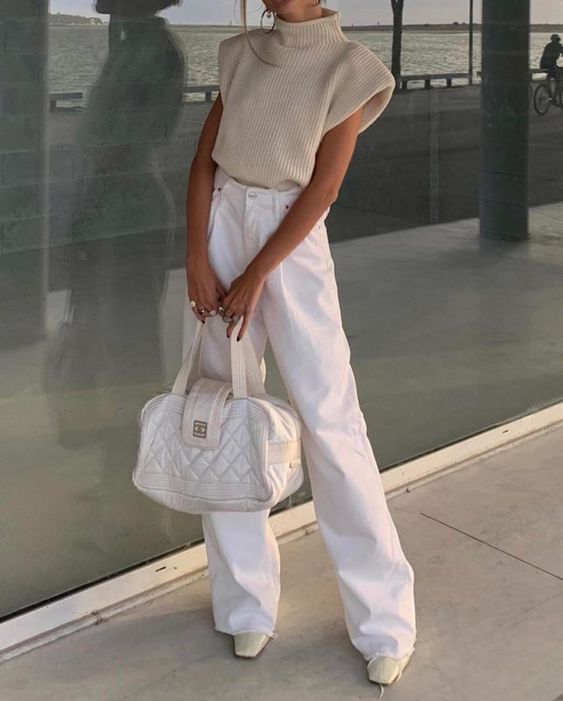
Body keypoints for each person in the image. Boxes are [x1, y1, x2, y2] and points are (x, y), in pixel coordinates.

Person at [184, 0, 416, 689]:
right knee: (222, 410)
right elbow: (203, 163)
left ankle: (384, 620)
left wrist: (259, 271)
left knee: (331, 421)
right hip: (222, 227)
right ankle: (244, 601)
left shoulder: (352, 68)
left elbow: (325, 187)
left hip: (289, 239)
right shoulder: (238, 54)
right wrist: (197, 255)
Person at [540, 33, 563, 97]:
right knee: (558, 78)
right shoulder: (555, 46)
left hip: (546, 64)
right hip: (548, 64)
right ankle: (552, 95)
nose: (557, 42)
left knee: (553, 74)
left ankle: (549, 89)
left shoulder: (550, 45)